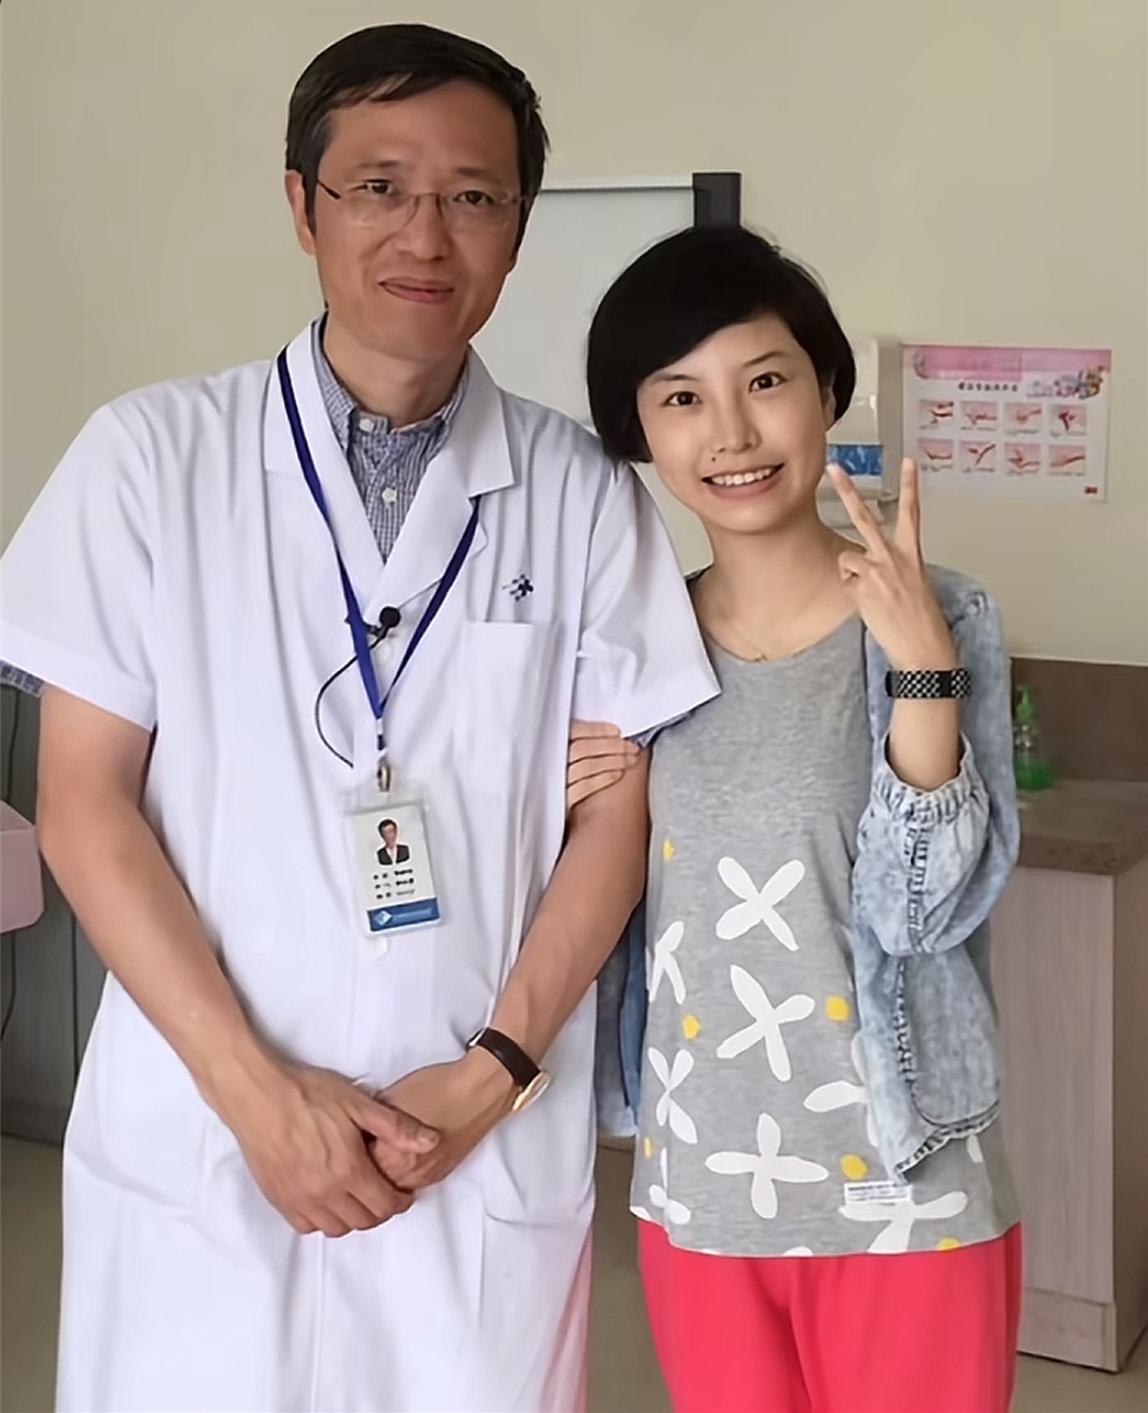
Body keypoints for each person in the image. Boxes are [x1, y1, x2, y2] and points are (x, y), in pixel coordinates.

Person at [0, 25, 716, 1413]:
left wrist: (494, 1074)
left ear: (517, 228)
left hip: (471, 1134)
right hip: (206, 1124)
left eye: (473, 195)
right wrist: (259, 1099)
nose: (425, 235)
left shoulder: (581, 494)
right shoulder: (150, 458)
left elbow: (619, 817)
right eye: (379, 186)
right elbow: (84, 804)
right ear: (302, 204)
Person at [569, 226, 1022, 1413]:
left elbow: (919, 916)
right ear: (638, 431)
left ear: (825, 389)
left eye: (763, 380)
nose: (729, 433)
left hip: (904, 1181)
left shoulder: (940, 617)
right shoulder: (629, 655)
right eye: (680, 397)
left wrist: (921, 674)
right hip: (701, 1182)